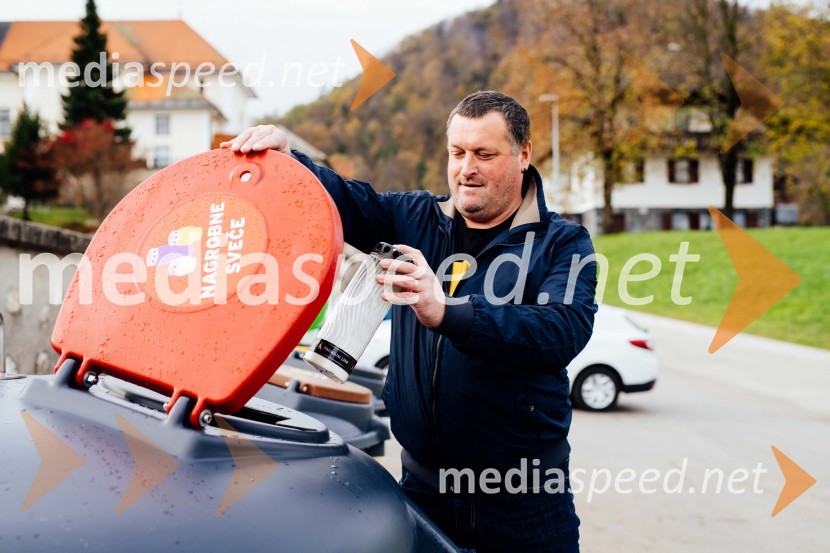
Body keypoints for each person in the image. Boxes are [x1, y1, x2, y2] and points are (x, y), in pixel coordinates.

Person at [223, 91, 598, 553]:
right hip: (423, 492)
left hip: (524, 503)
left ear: (523, 154)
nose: (467, 168)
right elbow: (344, 198)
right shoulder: (414, 217)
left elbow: (561, 330)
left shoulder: (563, 243)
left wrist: (447, 311)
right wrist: (290, 161)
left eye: (484, 154)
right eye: (457, 153)